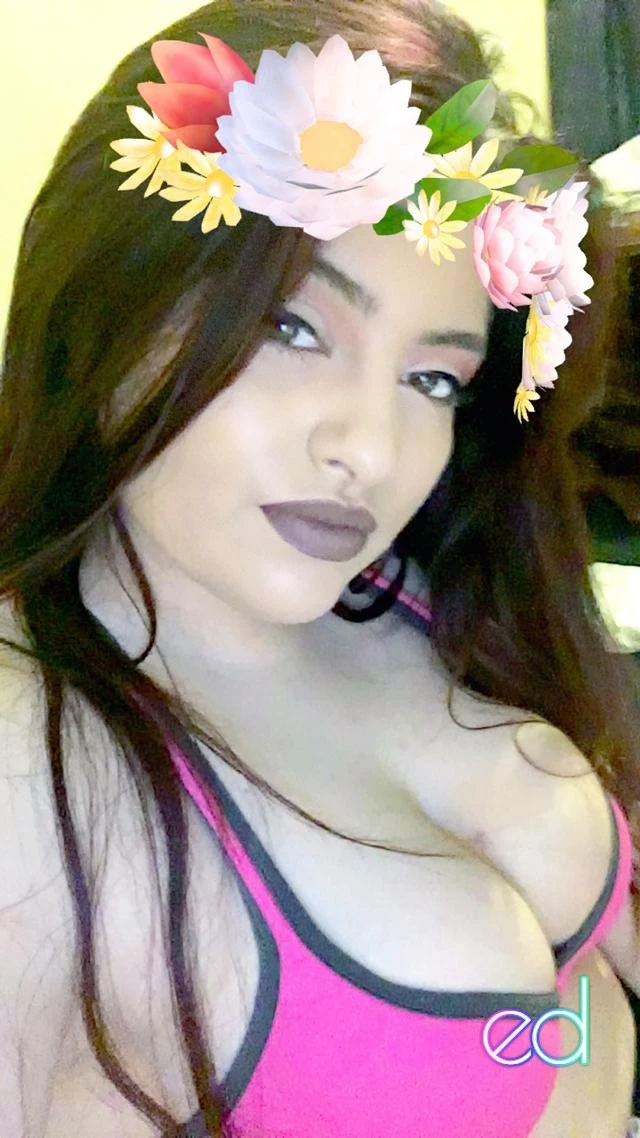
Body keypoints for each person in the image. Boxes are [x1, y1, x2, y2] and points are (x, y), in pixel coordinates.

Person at [1, 1, 640, 1135]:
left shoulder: (412, 594)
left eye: (432, 378)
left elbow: (585, 992)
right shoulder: (28, 764)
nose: (371, 450)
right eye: (292, 330)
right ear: (109, 310)